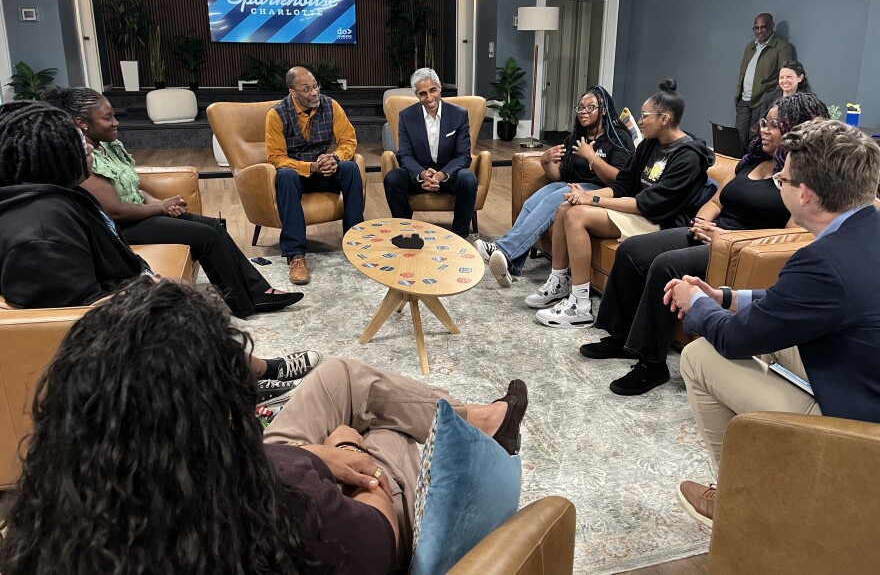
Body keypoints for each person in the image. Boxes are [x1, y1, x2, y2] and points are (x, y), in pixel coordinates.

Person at [0, 278, 529, 573]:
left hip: (260, 471)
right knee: (388, 435)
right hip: (287, 499)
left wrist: (314, 454)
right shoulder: (287, 512)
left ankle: (479, 419)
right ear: (225, 413)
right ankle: (468, 430)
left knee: (340, 375)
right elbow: (375, 538)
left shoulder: (41, 529)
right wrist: (345, 454)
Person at [0, 101, 317, 404]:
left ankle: (251, 370)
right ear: (49, 154)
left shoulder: (58, 198)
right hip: (120, 343)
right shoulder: (40, 235)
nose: (88, 147)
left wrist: (149, 282)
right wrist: (157, 298)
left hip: (127, 299)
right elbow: (78, 323)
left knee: (201, 254)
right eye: (76, 141)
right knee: (189, 308)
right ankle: (248, 381)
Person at [664, 120, 880, 528]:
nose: (777, 182)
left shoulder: (823, 261)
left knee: (698, 355)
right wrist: (724, 297)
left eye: (782, 178)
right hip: (863, 378)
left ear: (806, 194)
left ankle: (739, 501)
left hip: (859, 429)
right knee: (764, 337)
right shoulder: (862, 230)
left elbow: (733, 340)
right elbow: (793, 305)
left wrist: (695, 304)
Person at [585, 93, 830, 395]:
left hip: (737, 249)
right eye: (764, 122)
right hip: (710, 233)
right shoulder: (749, 162)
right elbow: (715, 200)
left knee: (665, 265)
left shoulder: (798, 178)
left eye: (774, 125)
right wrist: (700, 222)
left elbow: (791, 233)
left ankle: (651, 364)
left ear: (796, 128)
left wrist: (724, 238)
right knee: (632, 250)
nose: (764, 130)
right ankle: (619, 336)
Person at [42, 85, 302, 320]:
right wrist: (160, 207)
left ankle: (258, 290)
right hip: (119, 230)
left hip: (140, 214)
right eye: (107, 117)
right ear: (81, 123)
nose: (115, 122)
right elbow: (115, 211)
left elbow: (131, 186)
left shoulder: (107, 147)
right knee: (204, 236)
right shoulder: (82, 159)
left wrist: (159, 200)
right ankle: (244, 304)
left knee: (214, 226)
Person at [530, 79, 714, 328]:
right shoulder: (649, 145)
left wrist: (593, 199)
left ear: (665, 118)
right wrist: (582, 196)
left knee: (576, 216)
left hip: (660, 222)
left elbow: (651, 204)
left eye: (645, 116)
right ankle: (559, 281)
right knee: (565, 208)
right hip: (638, 211)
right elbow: (623, 185)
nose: (639, 122)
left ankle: (581, 305)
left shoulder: (689, 157)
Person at [475, 86, 634, 287]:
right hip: (573, 185)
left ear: (603, 110)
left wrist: (591, 157)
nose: (583, 111)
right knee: (533, 201)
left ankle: (503, 250)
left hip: (602, 191)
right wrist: (546, 162)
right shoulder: (577, 135)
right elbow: (560, 175)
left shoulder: (618, 138)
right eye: (580, 107)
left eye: (590, 107)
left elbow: (620, 179)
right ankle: (512, 264)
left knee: (556, 197)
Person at [266, 66, 365, 285]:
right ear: (293, 92)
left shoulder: (331, 105)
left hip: (325, 170)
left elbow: (348, 140)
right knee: (284, 176)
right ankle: (296, 255)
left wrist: (335, 158)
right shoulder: (277, 114)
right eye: (306, 89)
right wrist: (309, 167)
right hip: (298, 175)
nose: (314, 93)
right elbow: (276, 157)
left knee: (349, 168)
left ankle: (355, 242)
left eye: (315, 86)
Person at [383, 68, 477, 240]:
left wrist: (441, 175)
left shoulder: (459, 114)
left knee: (468, 179)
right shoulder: (406, 116)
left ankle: (460, 236)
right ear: (416, 95)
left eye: (432, 90)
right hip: (419, 175)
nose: (429, 98)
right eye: (422, 93)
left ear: (440, 88)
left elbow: (463, 155)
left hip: (449, 175)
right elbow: (404, 155)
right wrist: (422, 174)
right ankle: (406, 233)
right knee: (393, 178)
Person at [734, 13, 794, 153]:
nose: (759, 31)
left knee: (755, 138)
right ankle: (739, 169)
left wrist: (771, 100)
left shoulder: (782, 47)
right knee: (738, 136)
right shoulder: (750, 47)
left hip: (762, 100)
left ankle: (753, 169)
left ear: (772, 26)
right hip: (744, 99)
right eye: (756, 28)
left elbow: (785, 76)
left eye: (763, 27)